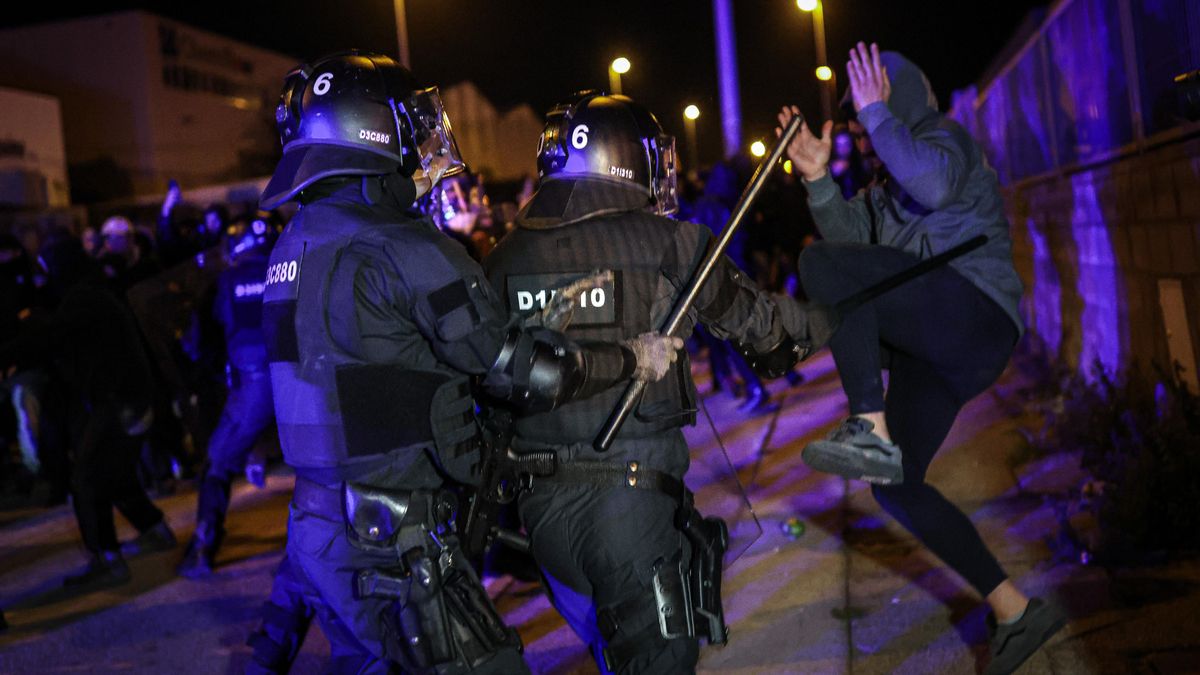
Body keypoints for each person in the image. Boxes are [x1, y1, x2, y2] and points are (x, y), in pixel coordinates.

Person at [252, 51, 681, 674]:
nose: (425, 143)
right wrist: (631, 357)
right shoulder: (404, 245)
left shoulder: (294, 244)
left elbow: (374, 358)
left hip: (318, 528)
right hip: (396, 544)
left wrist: (527, 327)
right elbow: (529, 373)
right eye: (411, 125)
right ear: (372, 131)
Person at [483, 91, 832, 674]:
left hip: (540, 519)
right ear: (627, 158)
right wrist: (840, 314)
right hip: (633, 514)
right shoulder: (671, 243)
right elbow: (772, 340)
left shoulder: (499, 259)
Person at [778, 43, 1065, 674]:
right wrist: (818, 180)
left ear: (895, 94)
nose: (859, 120)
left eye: (867, 103)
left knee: (820, 267)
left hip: (974, 312)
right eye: (857, 113)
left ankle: (869, 428)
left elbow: (931, 184)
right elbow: (852, 251)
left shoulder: (944, 139)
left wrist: (882, 117)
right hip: (939, 350)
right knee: (896, 487)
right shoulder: (886, 186)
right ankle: (1017, 611)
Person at [0, 236, 176, 587]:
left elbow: (49, 337)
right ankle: (155, 529)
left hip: (119, 400)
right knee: (116, 473)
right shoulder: (93, 292)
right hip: (130, 397)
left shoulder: (83, 299)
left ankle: (106, 560)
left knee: (87, 478)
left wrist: (10, 351)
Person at [177, 213, 278, 577]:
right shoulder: (295, 269)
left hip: (254, 388)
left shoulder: (228, 281)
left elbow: (199, 341)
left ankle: (203, 548)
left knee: (217, 465)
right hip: (306, 386)